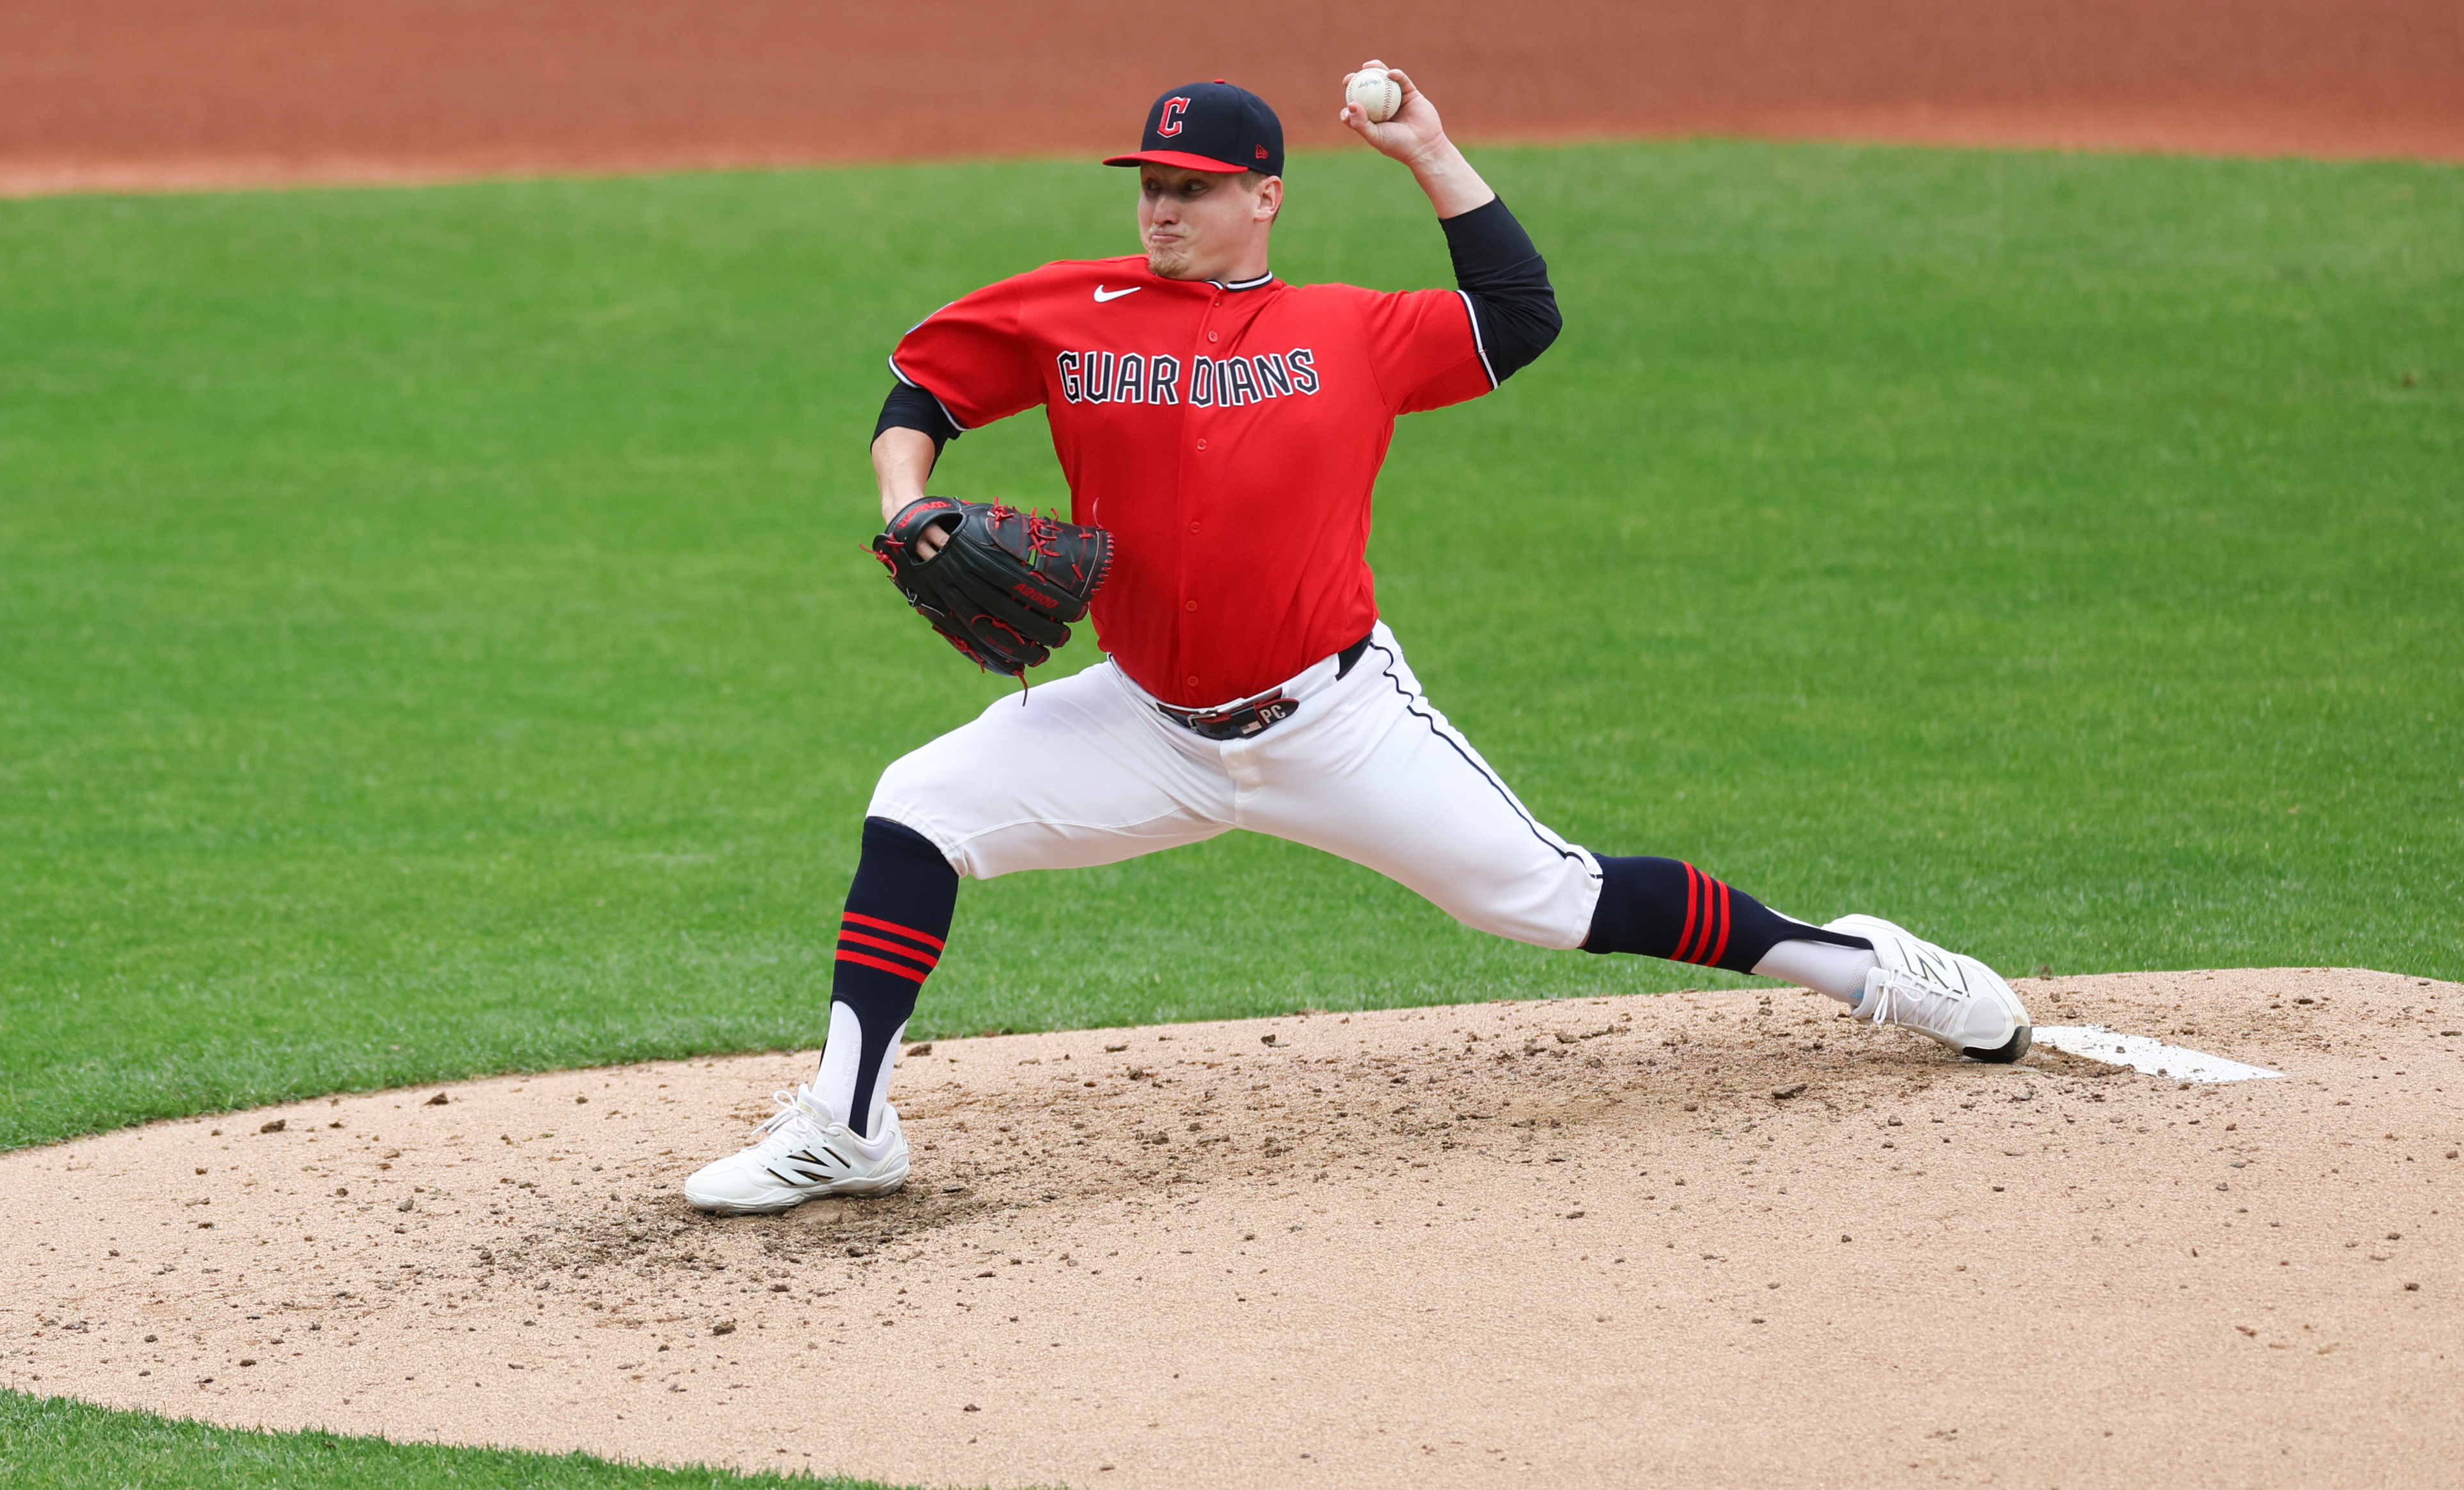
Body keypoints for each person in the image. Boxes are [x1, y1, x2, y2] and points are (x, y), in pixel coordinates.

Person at [682, 70, 2031, 1215]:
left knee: (1549, 899)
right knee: (916, 808)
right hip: (1142, 721)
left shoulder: (1349, 331)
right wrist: (904, 498)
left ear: (1263, 196)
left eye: (1193, 186)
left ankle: (1857, 965)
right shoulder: (1067, 311)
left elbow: (1519, 320)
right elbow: (918, 389)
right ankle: (850, 1124)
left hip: (1334, 723)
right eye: (1150, 183)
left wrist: (1427, 153)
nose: (1160, 207)